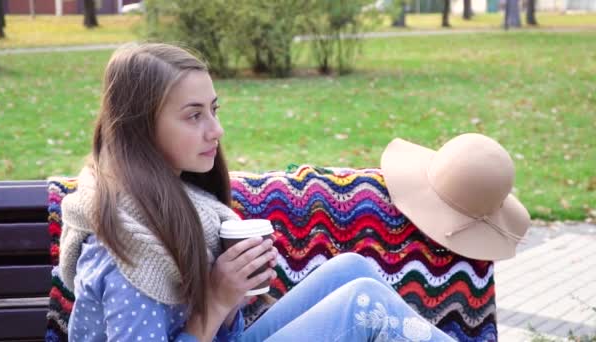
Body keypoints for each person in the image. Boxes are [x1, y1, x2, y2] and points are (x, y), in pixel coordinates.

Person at [59, 42, 455, 342]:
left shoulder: (175, 199)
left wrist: (233, 293)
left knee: (352, 269)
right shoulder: (125, 246)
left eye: (214, 110)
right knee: (362, 302)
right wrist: (216, 300)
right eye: (194, 115)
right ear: (141, 127)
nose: (215, 130)